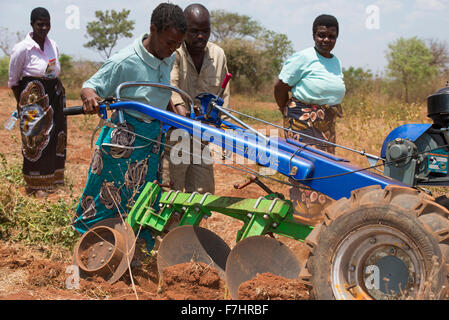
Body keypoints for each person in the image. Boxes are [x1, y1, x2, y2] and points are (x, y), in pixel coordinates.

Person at [72, 3, 186, 234]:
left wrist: (174, 113)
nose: (173, 49)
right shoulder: (125, 61)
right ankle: (91, 236)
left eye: (178, 44)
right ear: (153, 30)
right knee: (109, 190)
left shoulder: (169, 56)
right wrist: (91, 98)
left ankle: (134, 238)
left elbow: (159, 90)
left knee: (142, 192)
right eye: (169, 42)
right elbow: (90, 86)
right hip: (124, 137)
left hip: (152, 137)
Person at [274, 14, 346, 225]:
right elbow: (280, 86)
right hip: (303, 119)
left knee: (325, 166)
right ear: (314, 35)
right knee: (305, 165)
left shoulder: (336, 61)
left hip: (326, 122)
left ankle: (320, 215)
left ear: (336, 38)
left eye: (331, 36)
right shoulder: (303, 57)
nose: (326, 40)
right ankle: (303, 218)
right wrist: (284, 108)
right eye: (321, 35)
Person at [162, 3, 230, 194]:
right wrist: (183, 114)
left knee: (203, 193)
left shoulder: (218, 55)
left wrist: (226, 131)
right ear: (183, 30)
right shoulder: (173, 52)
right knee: (170, 192)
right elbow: (170, 87)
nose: (201, 36)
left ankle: (191, 226)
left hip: (202, 137)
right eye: (194, 31)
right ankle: (170, 225)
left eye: (205, 31)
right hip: (174, 135)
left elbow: (223, 95)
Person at [8, 7, 67, 199]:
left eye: (47, 24)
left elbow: (54, 71)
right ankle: (35, 184)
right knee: (34, 139)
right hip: (33, 98)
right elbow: (14, 81)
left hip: (54, 96)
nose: (44, 28)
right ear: (32, 24)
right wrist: (23, 104)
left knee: (55, 136)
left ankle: (52, 179)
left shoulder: (53, 45)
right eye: (40, 24)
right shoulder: (22, 49)